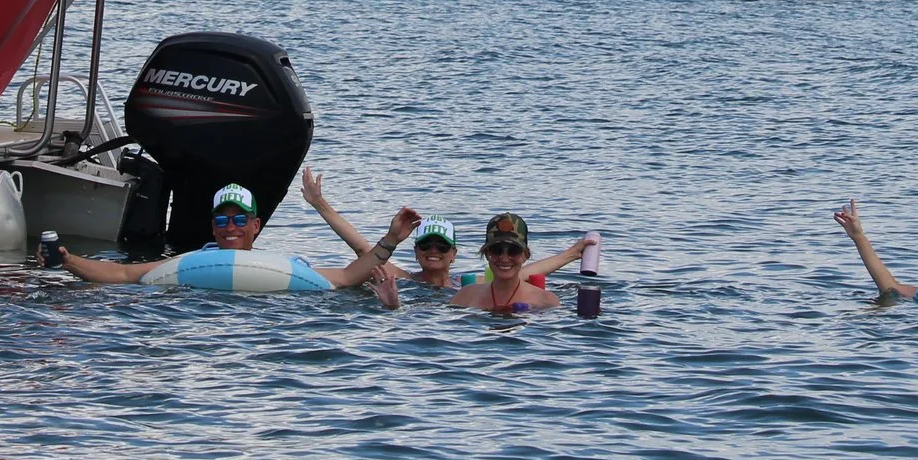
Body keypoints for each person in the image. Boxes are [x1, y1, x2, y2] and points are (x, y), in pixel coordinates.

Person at [44, 183, 411, 296]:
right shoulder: (187, 263)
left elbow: (348, 277)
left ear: (256, 226)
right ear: (213, 226)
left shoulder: (287, 268)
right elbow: (125, 275)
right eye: (222, 218)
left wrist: (391, 238)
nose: (230, 225)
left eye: (239, 219)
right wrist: (69, 261)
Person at [297, 170, 592, 290]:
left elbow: (524, 271)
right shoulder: (403, 278)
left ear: (454, 253)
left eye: (441, 246)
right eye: (426, 246)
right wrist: (320, 203)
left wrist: (573, 253)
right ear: (416, 252)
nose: (433, 252)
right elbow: (364, 250)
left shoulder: (467, 283)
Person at [449, 214, 562, 313]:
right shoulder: (464, 297)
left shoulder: (547, 302)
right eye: (497, 250)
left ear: (525, 255)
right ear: (486, 253)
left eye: (513, 251)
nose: (504, 258)